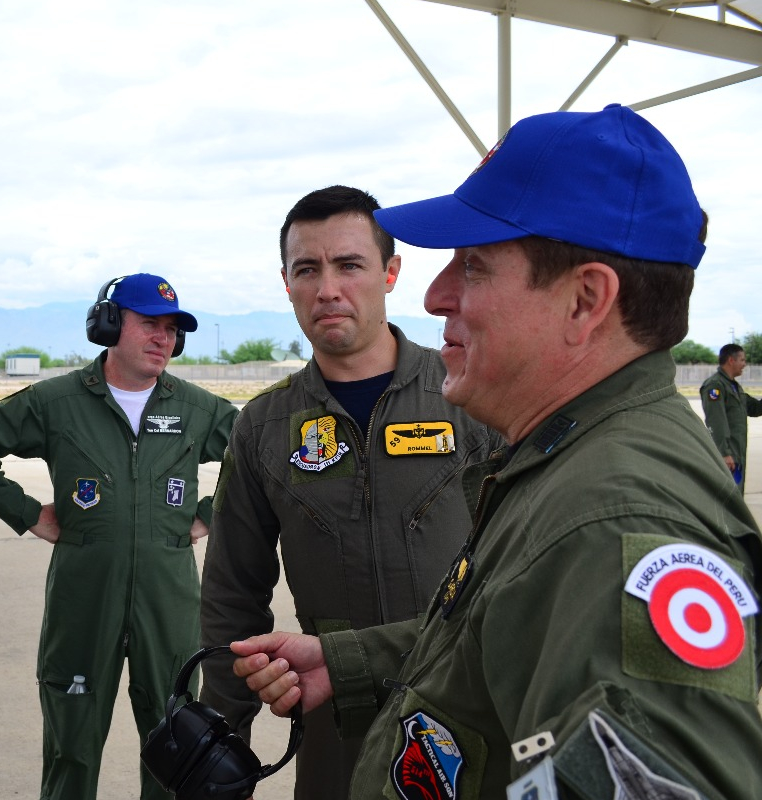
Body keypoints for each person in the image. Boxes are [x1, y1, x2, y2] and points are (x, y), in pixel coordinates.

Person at [232, 104, 762, 798]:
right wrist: (351, 661)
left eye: (474, 265)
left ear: (585, 301)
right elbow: (503, 630)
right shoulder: (563, 458)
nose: (436, 293)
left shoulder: (614, 519)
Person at [199, 185, 494, 800]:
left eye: (350, 265)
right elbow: (232, 596)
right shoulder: (264, 428)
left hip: (468, 716)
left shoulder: (475, 396)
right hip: (336, 720)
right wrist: (221, 737)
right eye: (307, 269)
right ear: (286, 284)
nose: (328, 288)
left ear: (390, 273)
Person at [0, 273, 238, 800]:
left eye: (172, 329)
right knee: (71, 748)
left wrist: (211, 514)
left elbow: (257, 458)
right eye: (149, 323)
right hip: (82, 599)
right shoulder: (56, 402)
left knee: (175, 746)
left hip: (168, 600)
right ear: (108, 325)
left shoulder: (197, 409)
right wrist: (28, 512)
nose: (163, 338)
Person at [700, 343, 762, 491]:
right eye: (742, 360)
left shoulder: (734, 387)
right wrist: (724, 454)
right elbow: (716, 422)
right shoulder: (715, 386)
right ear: (731, 360)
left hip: (737, 453)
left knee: (735, 497)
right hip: (728, 455)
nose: (744, 364)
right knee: (726, 498)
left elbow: (755, 408)